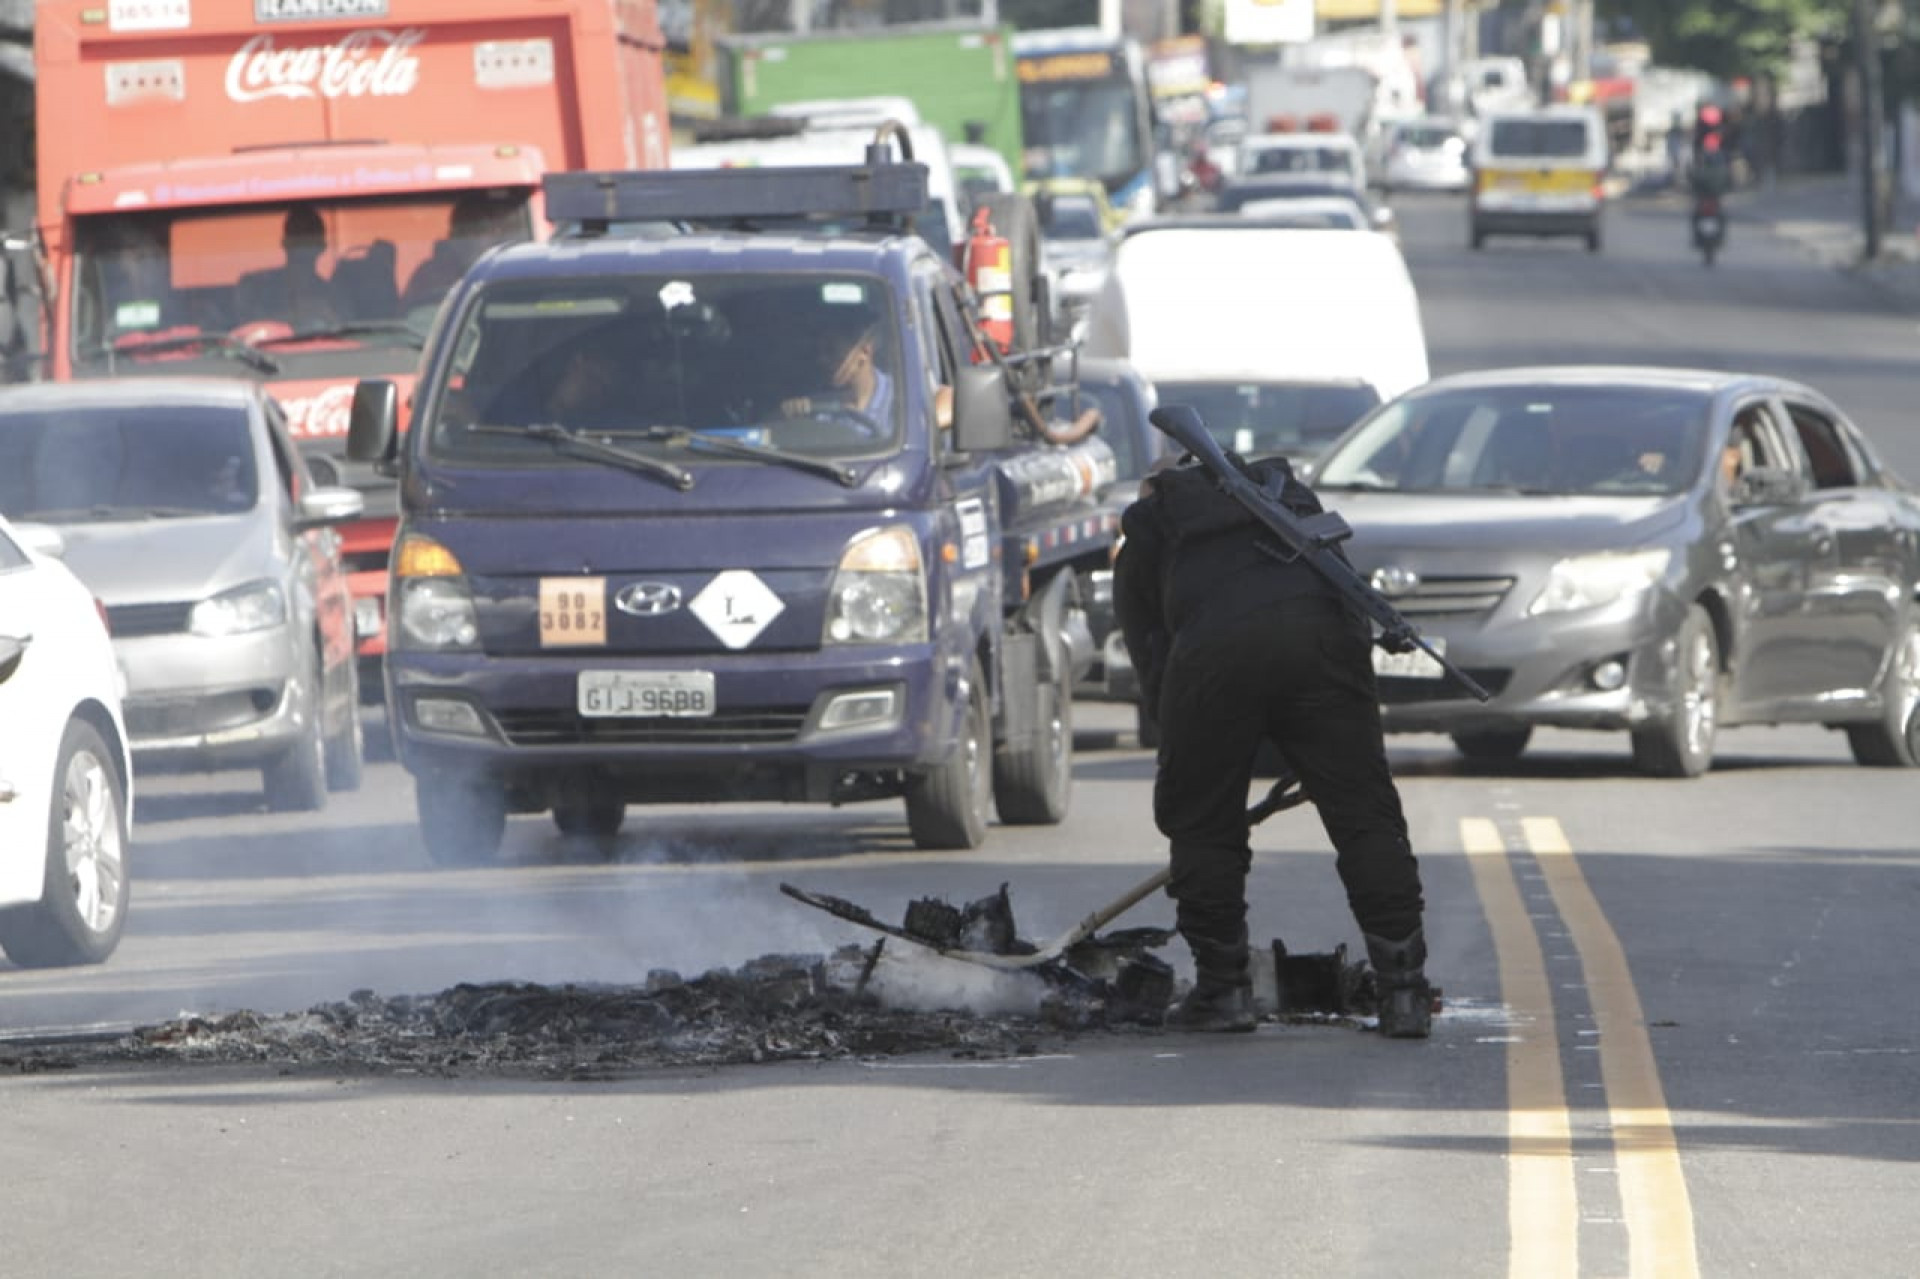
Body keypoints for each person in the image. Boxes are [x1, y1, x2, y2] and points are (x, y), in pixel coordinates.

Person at [1113, 448, 1433, 1037]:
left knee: (1203, 823)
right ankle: (1405, 995)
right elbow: (1349, 610)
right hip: (1325, 646)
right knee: (1365, 814)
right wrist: (1329, 747)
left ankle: (1223, 992)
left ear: (1158, 489)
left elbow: (1151, 657)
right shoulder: (1288, 502)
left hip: (1214, 658)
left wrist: (1193, 758)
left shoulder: (1153, 531)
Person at [401, 194, 526, 312]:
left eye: (478, 231)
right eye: (462, 232)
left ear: (494, 234)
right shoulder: (429, 275)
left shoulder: (514, 273)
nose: (471, 240)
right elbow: (407, 318)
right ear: (452, 236)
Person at [238, 205, 340, 331]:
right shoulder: (256, 287)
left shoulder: (333, 294)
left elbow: (349, 335)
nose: (302, 245)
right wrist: (297, 314)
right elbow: (245, 332)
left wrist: (327, 316)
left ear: (322, 246)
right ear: (285, 243)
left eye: (309, 237)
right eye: (297, 236)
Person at [780, 315, 893, 425]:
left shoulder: (899, 399)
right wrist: (795, 418)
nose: (822, 359)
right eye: (818, 351)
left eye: (831, 350)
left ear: (864, 353)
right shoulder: (813, 405)